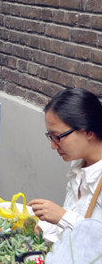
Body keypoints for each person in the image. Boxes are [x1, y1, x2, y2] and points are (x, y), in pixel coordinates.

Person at [28, 88, 102, 241]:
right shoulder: (79, 165)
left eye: (57, 137)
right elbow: (70, 231)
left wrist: (62, 216)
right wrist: (41, 226)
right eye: (51, 137)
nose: (53, 146)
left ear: (88, 131)